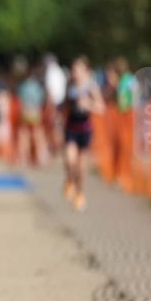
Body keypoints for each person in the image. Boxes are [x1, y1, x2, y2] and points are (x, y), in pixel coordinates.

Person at [62, 56, 105, 211]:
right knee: (69, 158)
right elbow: (65, 105)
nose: (75, 73)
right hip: (70, 127)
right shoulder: (69, 84)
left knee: (81, 165)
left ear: (86, 71)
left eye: (78, 70)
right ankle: (69, 180)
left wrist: (88, 104)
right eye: (73, 70)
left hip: (85, 128)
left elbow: (101, 108)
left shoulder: (91, 87)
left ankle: (80, 193)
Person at [16, 62, 48, 167]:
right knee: (37, 136)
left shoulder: (23, 86)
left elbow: (20, 101)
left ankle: (23, 158)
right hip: (35, 113)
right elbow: (41, 101)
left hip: (25, 112)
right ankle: (40, 158)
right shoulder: (38, 86)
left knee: (24, 136)